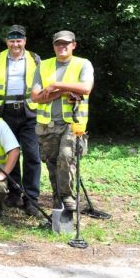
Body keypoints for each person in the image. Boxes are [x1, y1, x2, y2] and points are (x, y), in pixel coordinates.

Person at [31, 30, 94, 211]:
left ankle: (67, 197)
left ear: (73, 45)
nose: (62, 47)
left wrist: (55, 86)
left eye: (66, 43)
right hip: (47, 124)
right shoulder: (44, 66)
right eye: (58, 43)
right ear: (54, 46)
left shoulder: (83, 64)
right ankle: (59, 203)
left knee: (66, 157)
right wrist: (65, 90)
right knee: (52, 164)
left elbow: (85, 88)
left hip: (72, 123)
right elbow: (35, 97)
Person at [0, 25, 42, 216]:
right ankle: (15, 193)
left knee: (32, 155)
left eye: (19, 40)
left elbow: (44, 83)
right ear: (6, 41)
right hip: (5, 111)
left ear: (25, 41)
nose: (15, 44)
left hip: (29, 111)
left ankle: (31, 198)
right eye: (11, 40)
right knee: (11, 153)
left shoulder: (35, 59)